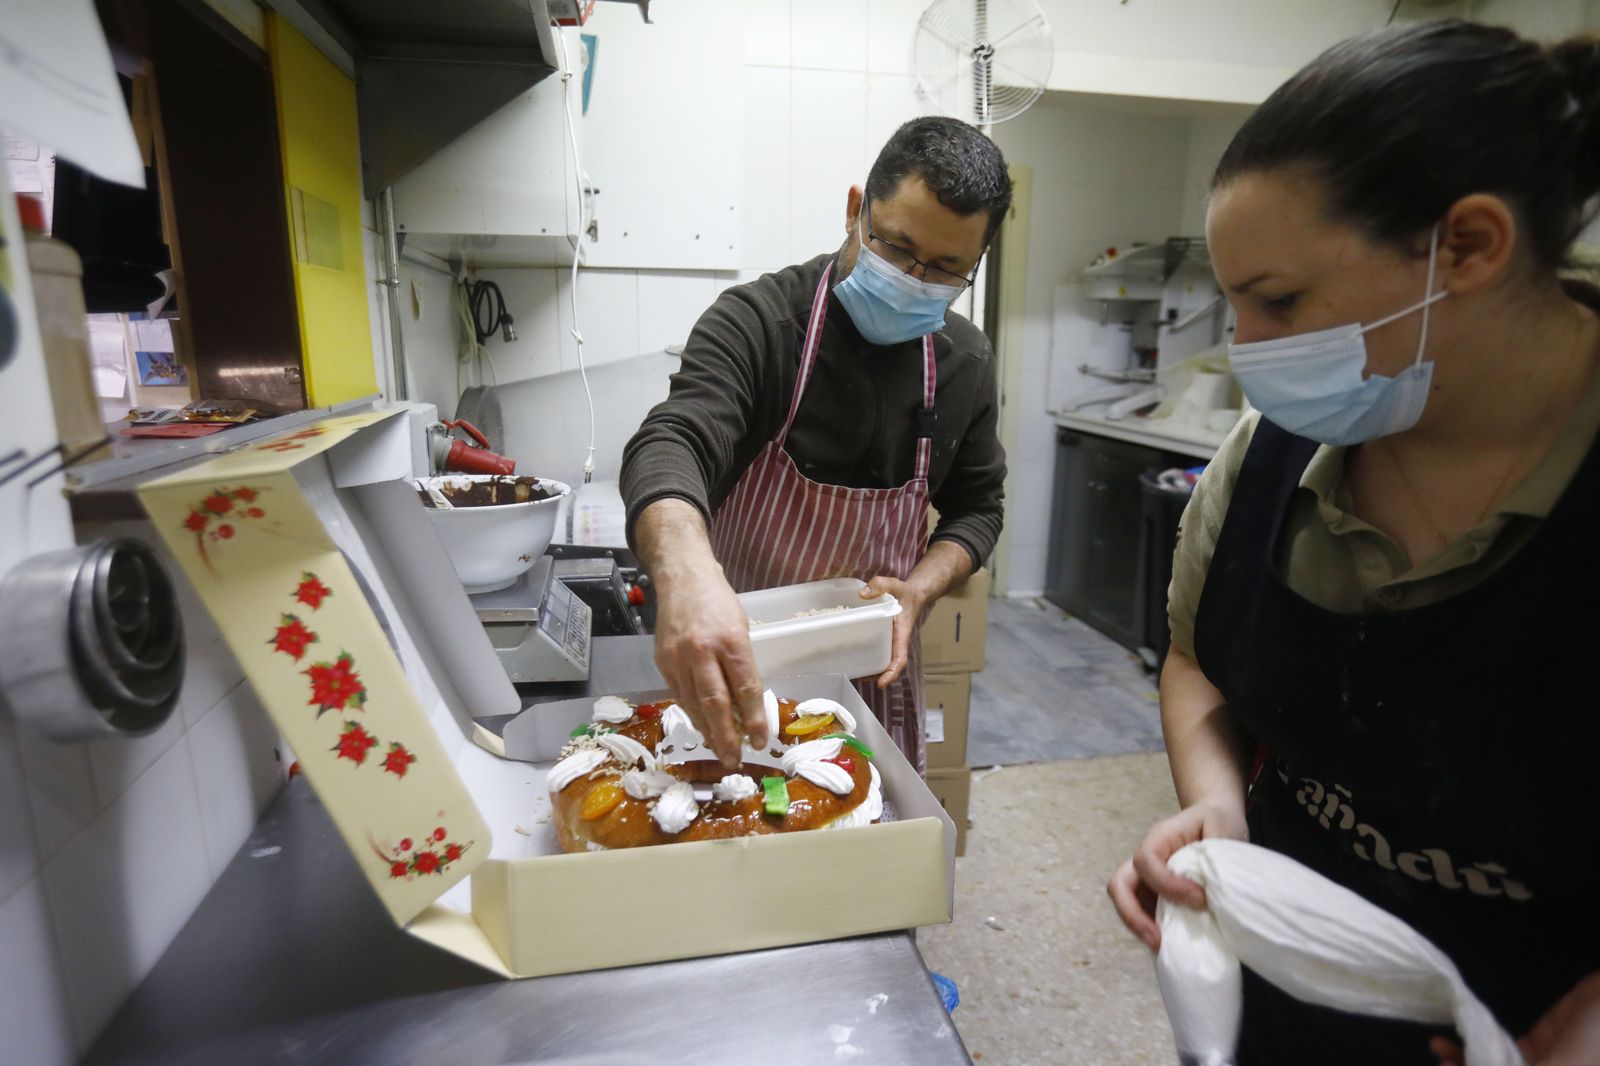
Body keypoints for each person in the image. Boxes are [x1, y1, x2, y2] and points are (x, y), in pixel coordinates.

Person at [1104, 20, 1600, 1065]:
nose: (1247, 352)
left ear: (1467, 246)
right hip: (1282, 1001)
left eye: (1279, 302)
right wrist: (1214, 801)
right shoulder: (1269, 457)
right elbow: (1196, 659)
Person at [620, 117, 1010, 773]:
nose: (914, 278)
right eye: (896, 247)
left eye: (947, 269)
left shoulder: (963, 361)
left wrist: (919, 590)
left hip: (872, 676)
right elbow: (673, 440)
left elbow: (979, 509)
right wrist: (685, 574)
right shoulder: (761, 324)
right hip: (735, 665)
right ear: (857, 209)